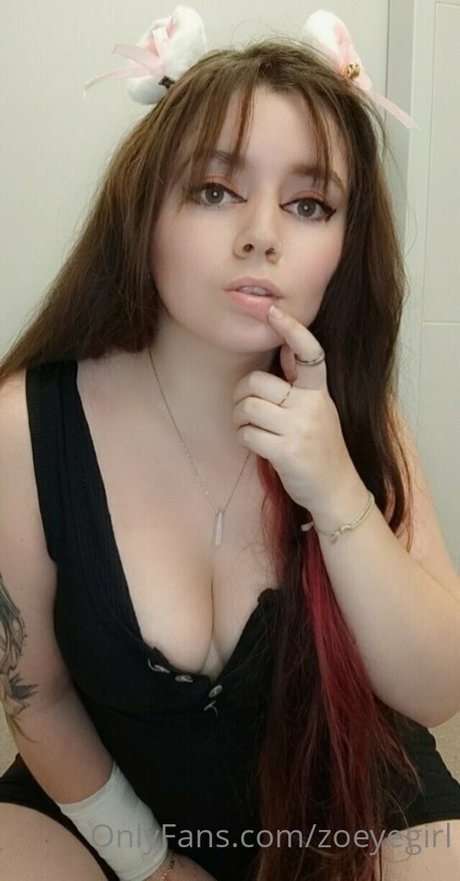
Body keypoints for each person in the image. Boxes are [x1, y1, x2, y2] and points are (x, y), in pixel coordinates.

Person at [0, 6, 459, 881]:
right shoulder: (28, 426)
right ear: (145, 211)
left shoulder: (362, 416)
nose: (261, 232)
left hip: (342, 794)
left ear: (343, 247)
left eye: (309, 203)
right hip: (115, 800)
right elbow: (39, 695)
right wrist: (154, 866)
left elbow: (436, 690)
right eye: (215, 190)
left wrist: (337, 492)